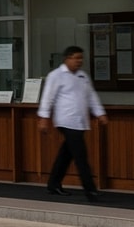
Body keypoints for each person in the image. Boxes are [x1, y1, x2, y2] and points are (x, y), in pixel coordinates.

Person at [38, 45, 108, 201]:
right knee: (80, 155)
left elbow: (91, 97)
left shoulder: (83, 76)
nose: (79, 61)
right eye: (76, 58)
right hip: (66, 120)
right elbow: (47, 97)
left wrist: (100, 112)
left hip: (80, 120)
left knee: (66, 154)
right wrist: (44, 117)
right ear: (67, 58)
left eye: (81, 58)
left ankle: (53, 184)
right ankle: (90, 190)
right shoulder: (56, 75)